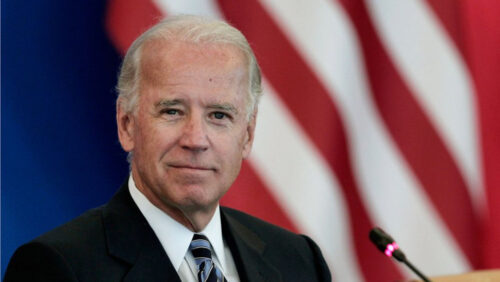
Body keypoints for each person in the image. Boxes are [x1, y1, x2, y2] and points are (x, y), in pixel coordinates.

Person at [4, 15, 331, 282]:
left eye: (219, 115)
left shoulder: (299, 261)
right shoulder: (58, 267)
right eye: (172, 111)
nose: (196, 139)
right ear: (127, 125)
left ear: (247, 135)